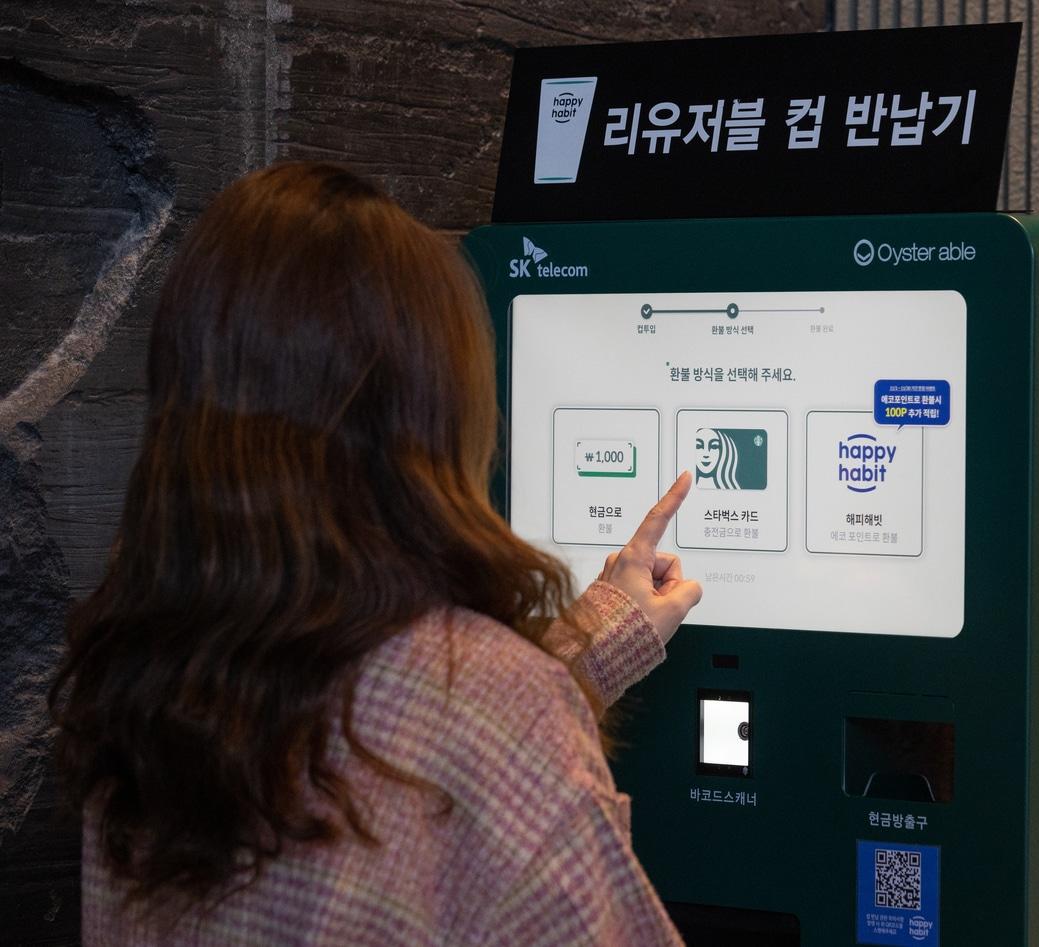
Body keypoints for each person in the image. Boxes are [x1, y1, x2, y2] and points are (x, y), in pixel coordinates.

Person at [49, 162, 700, 945]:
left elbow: (389, 739)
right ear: (426, 413)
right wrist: (538, 694)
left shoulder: (139, 682)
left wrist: (599, 635)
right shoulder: (498, 707)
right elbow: (449, 741)